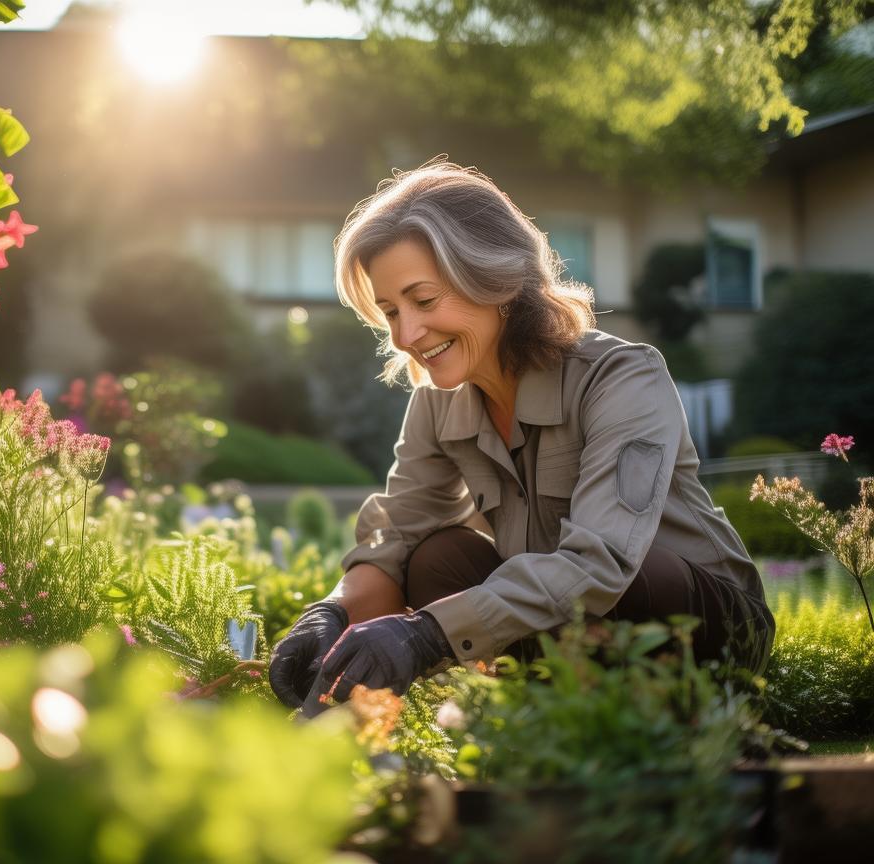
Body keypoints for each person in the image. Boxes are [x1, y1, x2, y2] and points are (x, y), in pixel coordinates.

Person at [268, 161, 775, 717]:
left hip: (698, 625)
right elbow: (396, 535)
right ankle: (546, 711)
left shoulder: (624, 377)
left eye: (425, 300)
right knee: (433, 558)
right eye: (390, 311)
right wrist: (333, 617)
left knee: (628, 577)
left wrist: (428, 636)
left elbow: (602, 563)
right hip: (567, 624)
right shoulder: (438, 399)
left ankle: (665, 718)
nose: (406, 335)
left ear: (495, 280)